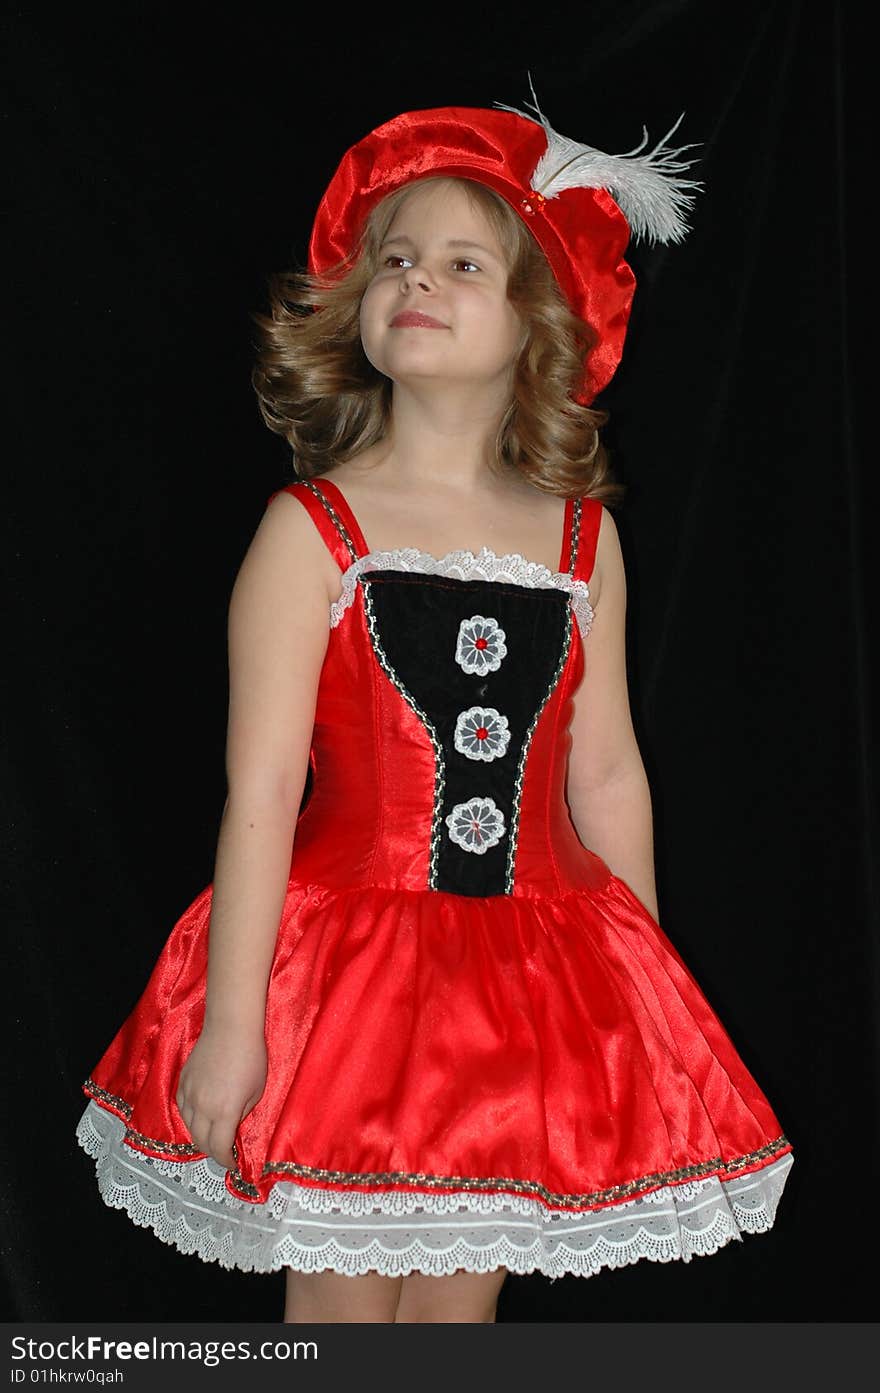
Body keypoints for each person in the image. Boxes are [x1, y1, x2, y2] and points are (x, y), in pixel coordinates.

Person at [76, 92, 794, 1324]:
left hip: (527, 987)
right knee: (342, 1305)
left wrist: (648, 1007)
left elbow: (607, 772)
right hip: (341, 988)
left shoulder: (584, 540)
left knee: (458, 1313)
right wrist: (232, 1028)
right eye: (396, 259)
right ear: (357, 305)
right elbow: (261, 794)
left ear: (537, 320)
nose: (419, 280)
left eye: (465, 262)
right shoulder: (312, 530)